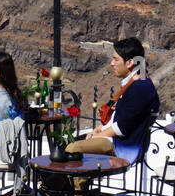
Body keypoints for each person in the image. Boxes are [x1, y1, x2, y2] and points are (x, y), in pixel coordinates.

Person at [67, 36, 159, 164]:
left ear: (130, 63)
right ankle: (75, 183)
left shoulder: (139, 87)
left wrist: (96, 136)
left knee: (72, 149)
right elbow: (120, 116)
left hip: (122, 145)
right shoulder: (135, 82)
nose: (112, 63)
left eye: (116, 59)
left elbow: (121, 128)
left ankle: (73, 184)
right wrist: (98, 129)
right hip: (115, 139)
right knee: (69, 142)